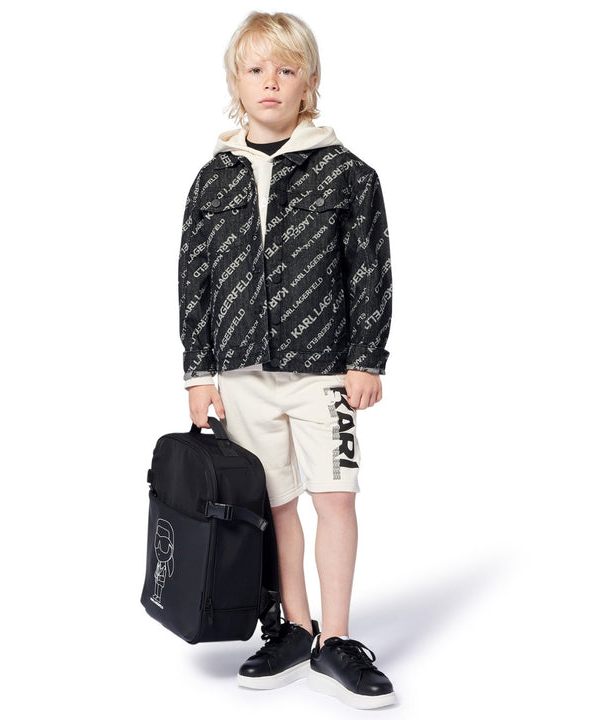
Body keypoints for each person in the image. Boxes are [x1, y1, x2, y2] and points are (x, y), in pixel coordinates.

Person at [178, 11, 395, 710]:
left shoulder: (348, 175)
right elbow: (195, 280)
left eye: (286, 69)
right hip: (241, 374)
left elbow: (370, 272)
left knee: (334, 497)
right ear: (235, 83)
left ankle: (337, 638)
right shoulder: (212, 181)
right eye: (255, 70)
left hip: (324, 368)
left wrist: (366, 359)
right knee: (274, 506)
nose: (270, 81)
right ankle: (295, 628)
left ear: (310, 82)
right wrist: (199, 374)